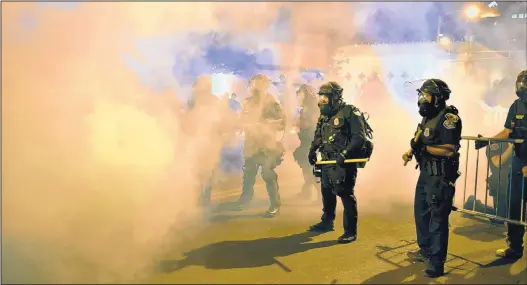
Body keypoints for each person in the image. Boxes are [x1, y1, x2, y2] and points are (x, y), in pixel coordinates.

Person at [402, 78, 462, 278]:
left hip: (440, 176)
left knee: (437, 220)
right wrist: (411, 151)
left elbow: (449, 150)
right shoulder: (427, 117)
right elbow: (420, 138)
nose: (422, 99)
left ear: (437, 98)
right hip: (425, 174)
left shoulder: (449, 118)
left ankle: (437, 263)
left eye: (425, 95)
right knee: (421, 213)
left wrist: (424, 148)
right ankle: (425, 250)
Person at [475, 70, 527, 259]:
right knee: (514, 207)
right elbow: (507, 131)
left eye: (525, 84)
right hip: (518, 163)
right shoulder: (516, 106)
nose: (522, 87)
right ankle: (514, 247)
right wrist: (488, 140)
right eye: (520, 83)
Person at [307, 82, 366, 244]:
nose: (322, 101)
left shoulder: (350, 112)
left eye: (325, 97)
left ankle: (350, 231)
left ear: (335, 97)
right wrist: (313, 150)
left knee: (345, 193)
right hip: (327, 159)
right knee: (326, 191)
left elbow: (358, 137)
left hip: (344, 161)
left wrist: (345, 153)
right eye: (321, 97)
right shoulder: (325, 116)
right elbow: (318, 135)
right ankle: (327, 221)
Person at [235, 74, 286, 217]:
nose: (255, 87)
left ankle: (275, 204)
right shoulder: (248, 102)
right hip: (251, 143)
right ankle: (245, 199)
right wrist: (240, 124)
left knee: (268, 173)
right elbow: (242, 119)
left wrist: (266, 124)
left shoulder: (271, 101)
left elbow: (282, 121)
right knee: (249, 172)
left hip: (266, 143)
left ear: (265, 85)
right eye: (253, 84)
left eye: (259, 84)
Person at [185, 75, 225, 207]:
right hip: (196, 140)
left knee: (208, 170)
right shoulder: (192, 101)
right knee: (197, 170)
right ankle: (197, 198)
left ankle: (205, 199)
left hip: (210, 141)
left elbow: (221, 120)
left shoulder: (214, 100)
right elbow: (187, 120)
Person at [293, 84, 321, 201]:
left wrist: (296, 122)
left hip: (311, 141)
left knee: (310, 168)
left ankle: (320, 195)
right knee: (307, 167)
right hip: (307, 140)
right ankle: (307, 191)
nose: (299, 95)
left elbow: (309, 124)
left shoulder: (312, 107)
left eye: (301, 93)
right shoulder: (305, 106)